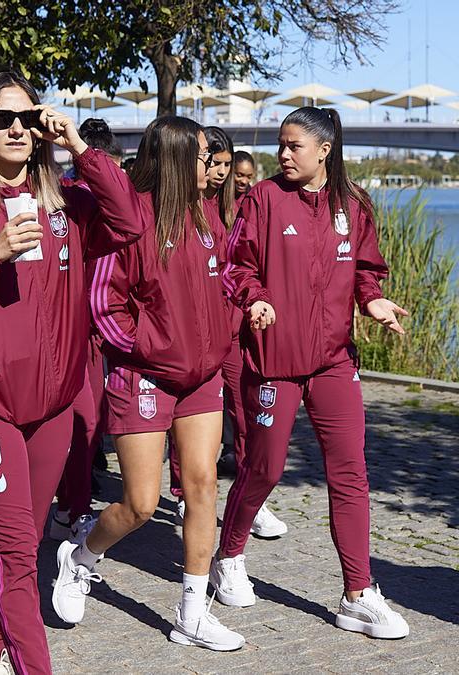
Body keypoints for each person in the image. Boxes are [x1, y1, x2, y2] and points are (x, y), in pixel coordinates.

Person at [0, 72, 143, 674]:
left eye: (28, 118)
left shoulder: (67, 201)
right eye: (1, 119)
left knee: (18, 549)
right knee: (13, 555)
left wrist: (80, 150)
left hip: (53, 411)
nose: (17, 128)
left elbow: (132, 221)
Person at [214, 106, 411, 639]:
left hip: (334, 360)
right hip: (273, 360)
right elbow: (237, 266)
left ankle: (357, 592)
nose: (282, 154)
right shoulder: (263, 198)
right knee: (265, 468)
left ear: (324, 150)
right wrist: (253, 299)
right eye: (280, 145)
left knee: (350, 473)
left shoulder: (354, 205)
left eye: (293, 146)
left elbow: (367, 270)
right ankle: (228, 554)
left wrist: (371, 301)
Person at [54, 116, 245, 651]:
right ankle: (81, 557)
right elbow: (104, 302)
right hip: (145, 376)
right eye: (204, 152)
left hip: (201, 380)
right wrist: (146, 348)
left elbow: (226, 280)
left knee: (203, 486)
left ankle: (192, 614)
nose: (210, 162)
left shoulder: (208, 216)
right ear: (179, 156)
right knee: (141, 503)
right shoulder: (131, 218)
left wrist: (235, 317)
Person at [167, 128, 288, 539]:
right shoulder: (185, 208)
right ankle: (184, 488)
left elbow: (239, 268)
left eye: (227, 166)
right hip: (196, 338)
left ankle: (251, 499)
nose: (222, 174)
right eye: (215, 164)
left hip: (235, 330)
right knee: (189, 418)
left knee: (247, 413)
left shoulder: (241, 207)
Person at [49, 117, 123, 543]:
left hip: (95, 330)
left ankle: (71, 507)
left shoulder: (103, 199)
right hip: (60, 327)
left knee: (88, 424)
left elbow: (129, 222)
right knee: (69, 424)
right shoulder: (63, 196)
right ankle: (63, 504)